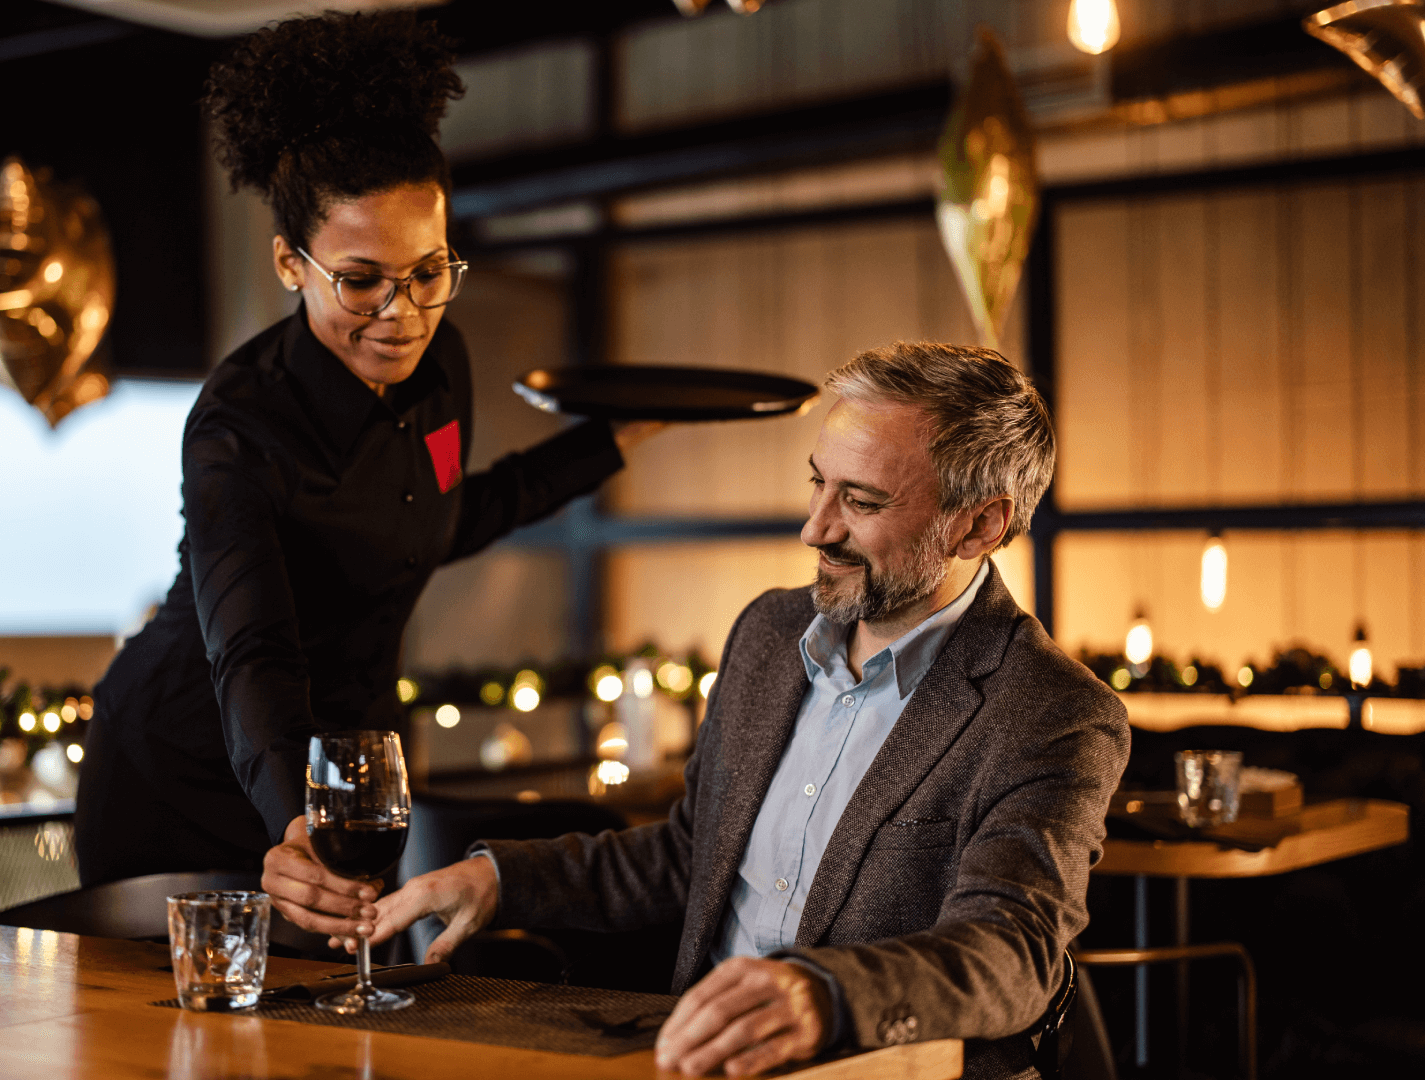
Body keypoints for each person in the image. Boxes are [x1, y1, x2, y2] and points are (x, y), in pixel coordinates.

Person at [264, 342, 1131, 1080]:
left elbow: (1012, 951)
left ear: (979, 526)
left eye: (862, 502)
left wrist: (825, 996)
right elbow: (690, 854)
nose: (815, 528)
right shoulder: (769, 633)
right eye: (818, 485)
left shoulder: (1052, 712)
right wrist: (498, 880)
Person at [74, 12, 653, 886]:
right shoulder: (240, 424)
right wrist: (295, 818)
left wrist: (611, 441)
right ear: (290, 264)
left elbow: (443, 521)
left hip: (352, 765)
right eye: (359, 281)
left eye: (428, 273)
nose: (402, 314)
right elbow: (253, 648)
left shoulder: (442, 365)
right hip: (186, 767)